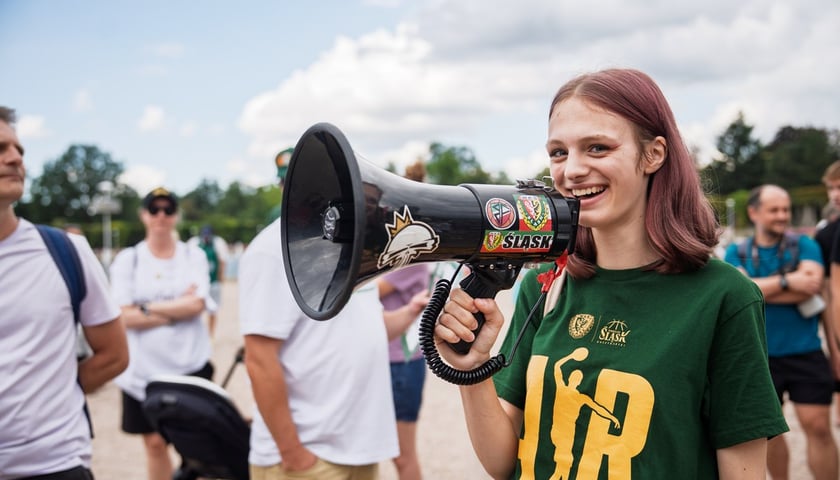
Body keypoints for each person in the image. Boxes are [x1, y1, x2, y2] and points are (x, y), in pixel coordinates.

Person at [433, 69, 788, 479]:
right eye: (558, 153)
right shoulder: (542, 285)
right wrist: (472, 369)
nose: (572, 171)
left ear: (653, 154)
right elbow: (503, 462)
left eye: (597, 148)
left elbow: (742, 471)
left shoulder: (724, 296)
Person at [239, 160, 429, 480]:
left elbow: (367, 329)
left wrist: (410, 312)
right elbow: (259, 358)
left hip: (357, 451)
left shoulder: (350, 245)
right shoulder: (271, 250)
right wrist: (294, 455)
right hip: (308, 458)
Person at [0, 105, 129, 479]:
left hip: (55, 464)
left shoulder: (65, 251)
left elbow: (114, 354)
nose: (14, 159)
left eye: (19, 150)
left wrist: (48, 396)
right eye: (0, 148)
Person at [724, 184, 837, 480]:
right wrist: (789, 283)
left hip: (805, 351)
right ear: (754, 212)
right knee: (770, 435)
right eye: (774, 210)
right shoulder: (737, 250)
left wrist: (760, 287)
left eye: (785, 209)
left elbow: (811, 286)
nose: (782, 216)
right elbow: (739, 294)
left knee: (820, 428)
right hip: (759, 357)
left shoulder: (806, 245)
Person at [109, 186, 214, 480]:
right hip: (143, 374)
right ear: (144, 215)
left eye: (168, 210)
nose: (161, 216)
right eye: (154, 210)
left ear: (176, 216)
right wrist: (173, 311)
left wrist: (144, 308)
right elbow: (122, 315)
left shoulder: (193, 255)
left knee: (197, 446)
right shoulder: (129, 259)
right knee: (154, 444)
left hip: (189, 365)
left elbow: (197, 304)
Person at [377, 159, 432, 480]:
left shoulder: (410, 251)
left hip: (402, 362)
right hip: (390, 359)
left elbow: (372, 291)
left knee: (402, 456)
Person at [815, 161, 840, 424]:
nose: (835, 195)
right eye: (831, 188)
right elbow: (830, 294)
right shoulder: (826, 235)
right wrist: (835, 350)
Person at [187, 225, 230, 337]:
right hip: (199, 284)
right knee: (196, 310)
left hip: (213, 282)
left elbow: (222, 262)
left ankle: (210, 334)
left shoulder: (218, 243)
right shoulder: (194, 243)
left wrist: (221, 278)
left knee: (213, 311)